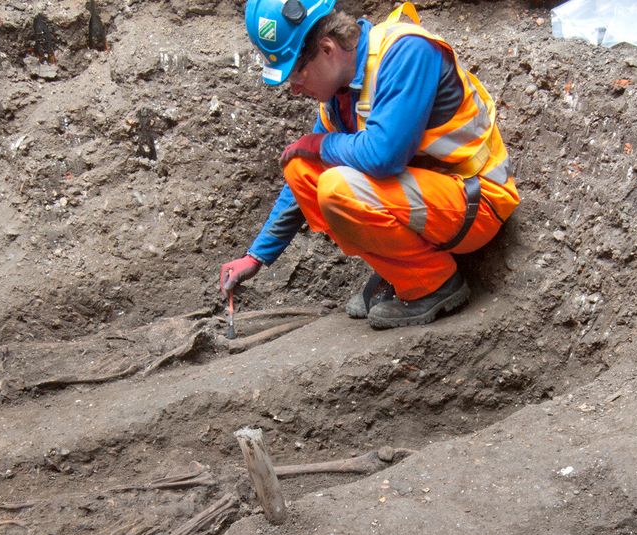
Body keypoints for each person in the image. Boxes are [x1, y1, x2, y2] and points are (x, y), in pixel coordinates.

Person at [220, 0, 519, 329]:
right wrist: (257, 256)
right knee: (301, 167)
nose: (294, 89)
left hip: (475, 202)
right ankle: (400, 271)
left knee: (336, 187)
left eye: (296, 73)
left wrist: (320, 144)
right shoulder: (340, 95)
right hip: (427, 201)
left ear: (327, 48)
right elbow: (304, 175)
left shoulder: (406, 53)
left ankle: (433, 283)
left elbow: (383, 156)